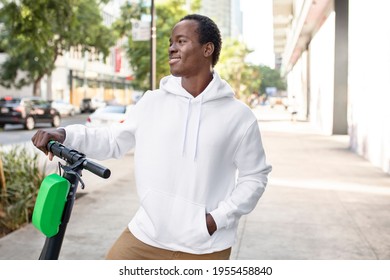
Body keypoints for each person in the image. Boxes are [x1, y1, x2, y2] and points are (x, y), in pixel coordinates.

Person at [32, 14, 272, 260]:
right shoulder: (152, 102)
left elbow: (255, 176)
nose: (171, 48)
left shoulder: (239, 116)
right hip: (146, 235)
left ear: (207, 49)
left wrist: (216, 220)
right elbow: (113, 140)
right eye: (170, 42)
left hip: (206, 244)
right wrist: (65, 134)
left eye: (181, 41)